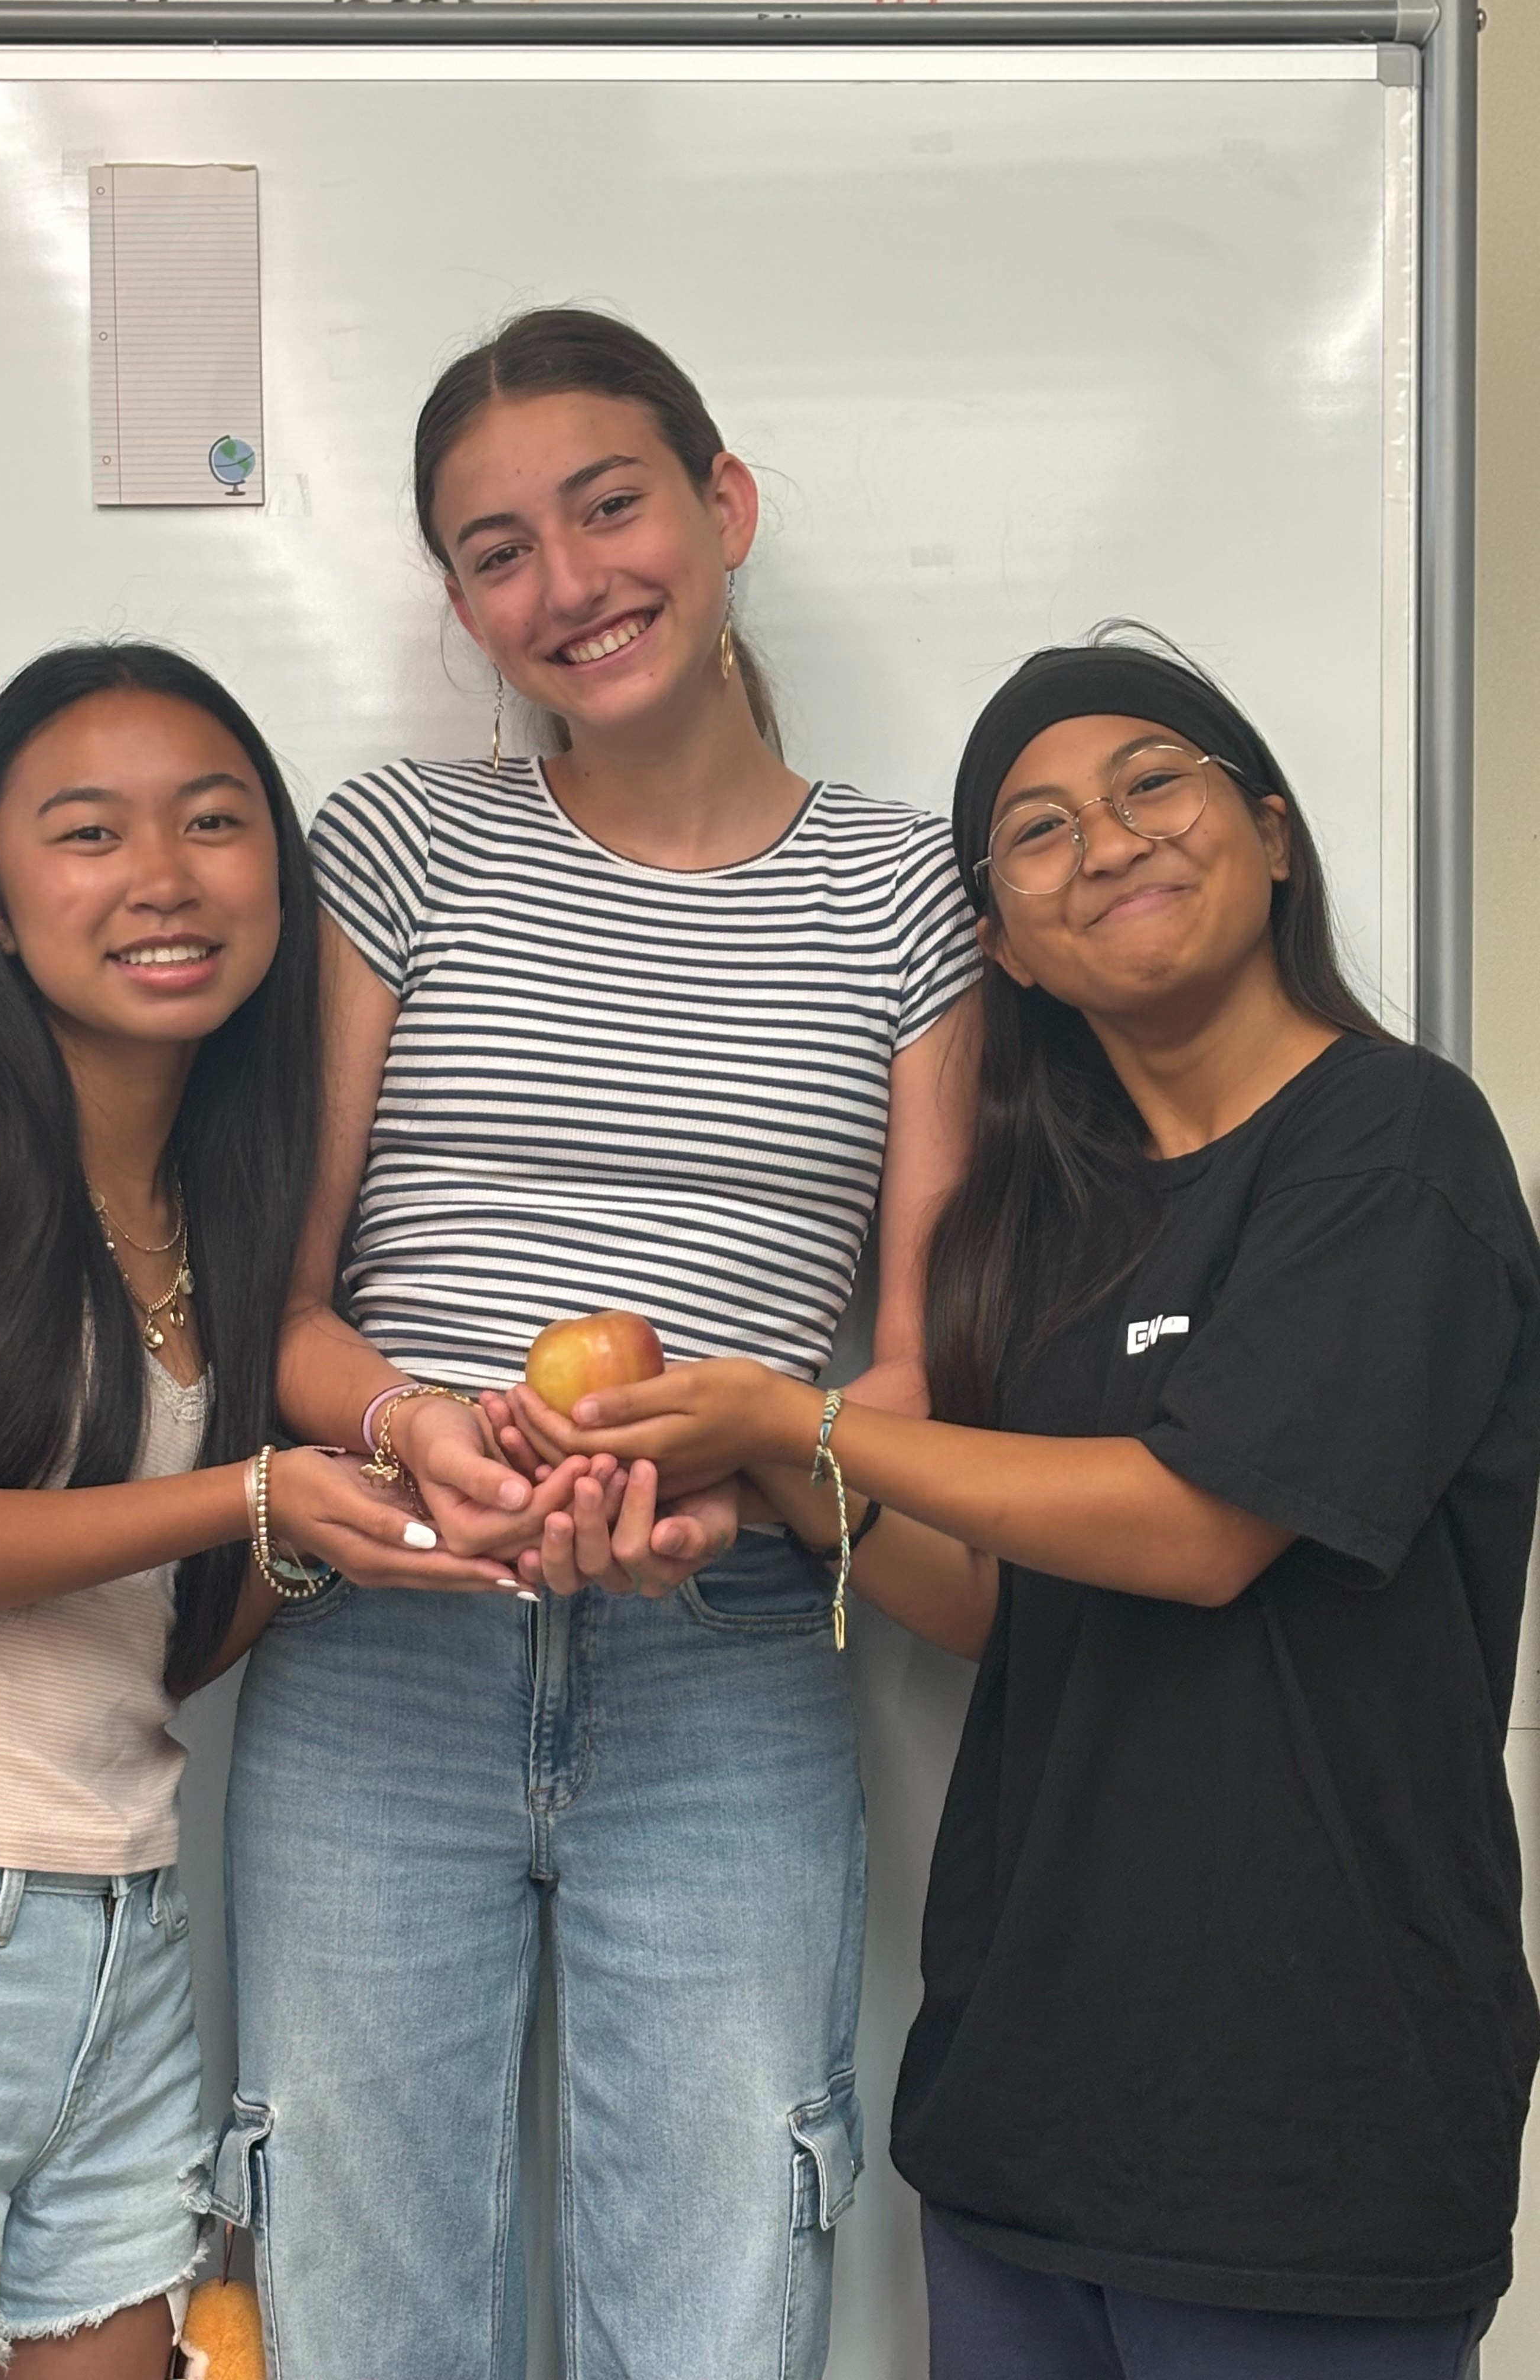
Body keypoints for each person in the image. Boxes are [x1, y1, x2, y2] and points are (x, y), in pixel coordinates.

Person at [515, 636, 1540, 2380]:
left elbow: (1199, 1533)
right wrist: (781, 1475)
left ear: (1271, 835)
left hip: (1313, 2119)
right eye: (1041, 831)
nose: (1111, 842)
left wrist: (804, 1416)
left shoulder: (1395, 1141)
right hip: (1028, 2110)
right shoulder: (1042, 1221)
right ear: (1003, 941)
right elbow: (1006, 1597)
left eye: (1154, 786)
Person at [221, 307, 982, 2378]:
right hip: (384, 1648)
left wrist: (753, 1479)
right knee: (362, 2317)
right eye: (497, 552)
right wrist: (409, 1425)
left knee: (720, 2315)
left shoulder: (911, 891)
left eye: (610, 506)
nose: (567, 583)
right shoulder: (397, 846)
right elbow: (279, 1308)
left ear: (723, 507)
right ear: (463, 605)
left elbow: (909, 1382)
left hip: (729, 1661)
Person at [0, 644, 504, 2380]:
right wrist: (246, 1488)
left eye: (215, 824)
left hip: (124, 1924)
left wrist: (352, 1526)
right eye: (89, 833)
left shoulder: (222, 1203)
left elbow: (134, 1651)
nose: (164, 877)